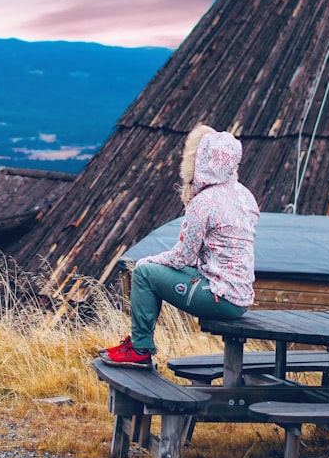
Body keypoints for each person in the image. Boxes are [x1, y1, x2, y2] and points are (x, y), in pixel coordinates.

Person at [100, 125, 260, 368]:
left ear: (204, 159)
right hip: (240, 297)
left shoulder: (203, 203)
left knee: (144, 273)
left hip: (219, 297)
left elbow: (181, 258)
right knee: (155, 271)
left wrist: (149, 261)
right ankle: (138, 345)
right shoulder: (245, 196)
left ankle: (140, 348)